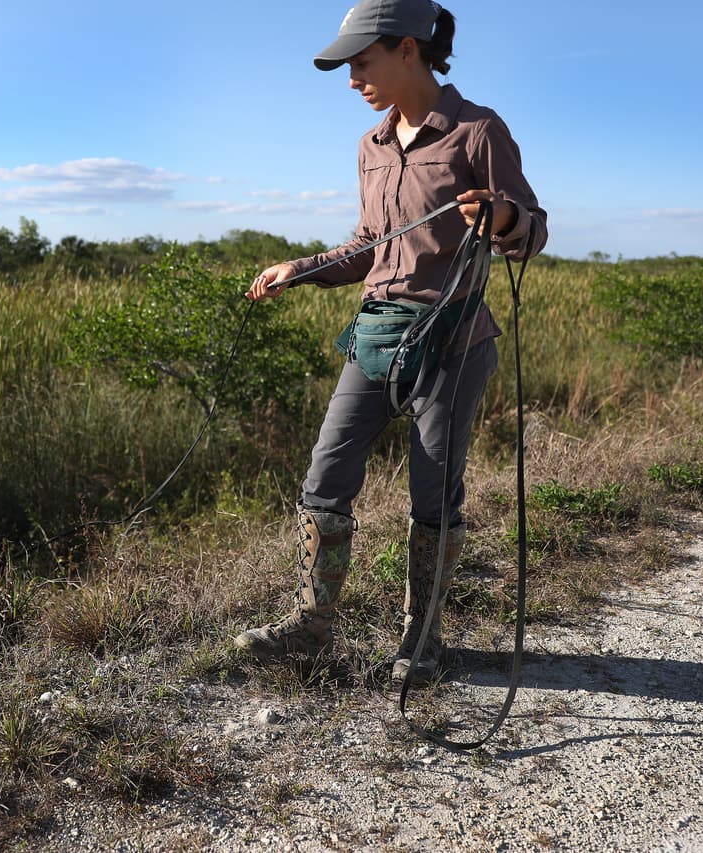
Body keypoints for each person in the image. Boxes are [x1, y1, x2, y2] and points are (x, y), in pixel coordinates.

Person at [234, 0, 547, 686]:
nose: (352, 79)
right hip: (376, 335)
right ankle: (312, 628)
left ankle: (421, 642)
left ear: (408, 49)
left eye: (361, 62)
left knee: (433, 493)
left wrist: (501, 217)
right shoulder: (370, 146)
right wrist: (301, 269)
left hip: (453, 340)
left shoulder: (476, 131)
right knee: (327, 473)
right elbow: (367, 248)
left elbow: (531, 230)